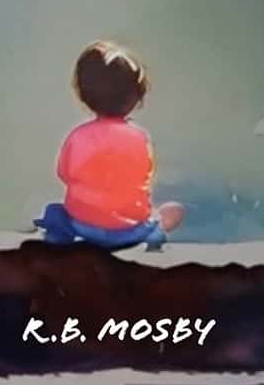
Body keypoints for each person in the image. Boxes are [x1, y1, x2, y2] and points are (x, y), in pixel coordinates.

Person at [36, 40, 187, 251]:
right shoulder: (140, 138)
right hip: (131, 231)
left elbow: (63, 173)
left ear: (83, 94)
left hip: (83, 226)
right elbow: (146, 176)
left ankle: (59, 239)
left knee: (54, 211)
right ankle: (154, 234)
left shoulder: (77, 137)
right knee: (174, 210)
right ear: (137, 97)